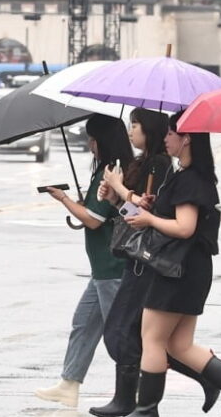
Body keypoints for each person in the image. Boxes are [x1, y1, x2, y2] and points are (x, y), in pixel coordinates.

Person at [92, 109, 221, 417]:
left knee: (151, 339)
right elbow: (146, 222)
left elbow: (184, 227)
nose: (166, 138)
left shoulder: (190, 179)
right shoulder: (185, 176)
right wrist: (122, 201)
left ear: (187, 138)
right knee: (179, 346)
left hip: (177, 269)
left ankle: (146, 410)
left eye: (171, 133)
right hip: (185, 269)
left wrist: (150, 215)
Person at [34, 114, 133, 408]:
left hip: (112, 267)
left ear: (102, 141)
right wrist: (79, 202)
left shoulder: (112, 171)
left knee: (121, 334)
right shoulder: (107, 169)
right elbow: (96, 213)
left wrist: (64, 200)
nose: (90, 144)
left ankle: (136, 391)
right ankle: (69, 384)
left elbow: (93, 220)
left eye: (93, 139)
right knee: (84, 323)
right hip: (102, 268)